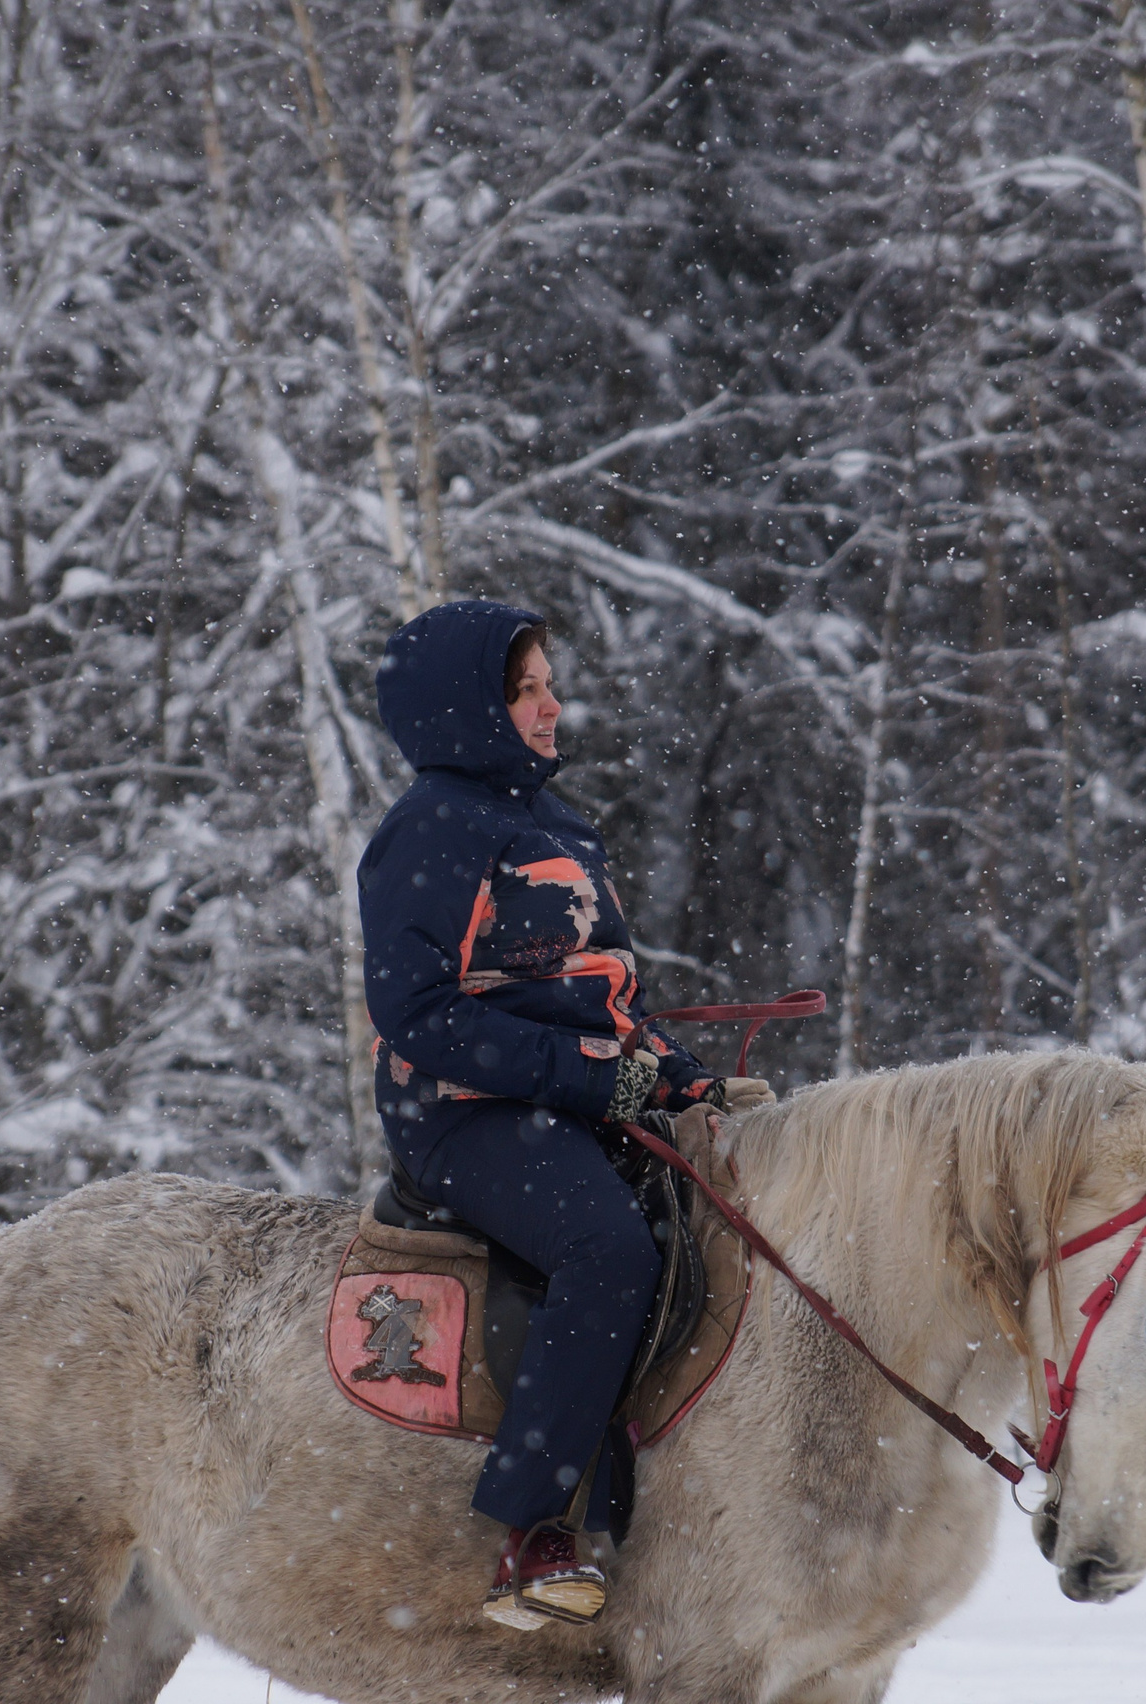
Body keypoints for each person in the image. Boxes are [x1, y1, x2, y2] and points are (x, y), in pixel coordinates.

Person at [359, 599, 772, 1630]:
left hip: (566, 1093)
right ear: (469, 711)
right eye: (527, 690)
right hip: (463, 1109)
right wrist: (601, 1083)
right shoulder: (431, 827)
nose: (553, 707)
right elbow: (417, 1014)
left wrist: (683, 1082)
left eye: (549, 684)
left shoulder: (561, 827)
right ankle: (537, 1531)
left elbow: (609, 1000)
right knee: (609, 1248)